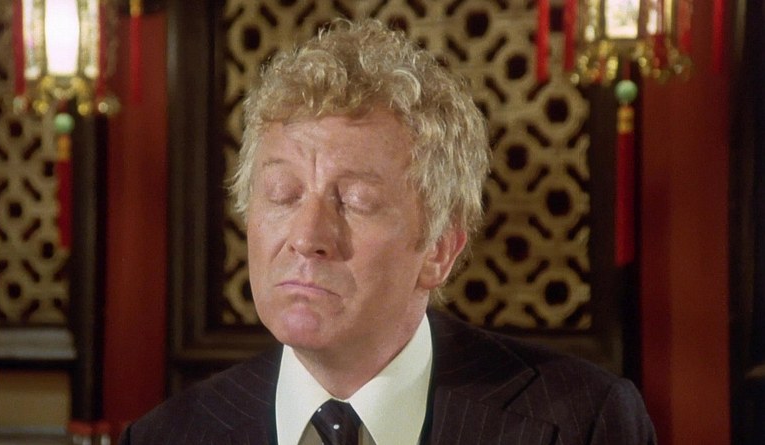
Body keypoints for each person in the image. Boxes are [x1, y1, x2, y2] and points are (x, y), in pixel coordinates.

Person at [119, 18, 656, 445]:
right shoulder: (167, 435)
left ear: (439, 249)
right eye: (282, 195)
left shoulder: (582, 421)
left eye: (355, 201)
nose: (307, 237)